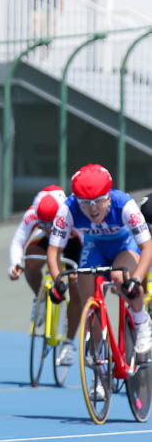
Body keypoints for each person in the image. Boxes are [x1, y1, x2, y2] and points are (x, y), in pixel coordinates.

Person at [47, 164, 152, 400]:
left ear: (109, 197)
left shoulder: (124, 204)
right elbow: (53, 252)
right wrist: (57, 282)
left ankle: (141, 321)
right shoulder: (69, 209)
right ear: (77, 199)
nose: (92, 209)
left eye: (98, 202)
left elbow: (147, 247)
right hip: (95, 247)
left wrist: (135, 280)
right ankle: (100, 372)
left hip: (125, 246)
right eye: (85, 202)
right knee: (87, 301)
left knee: (119, 277)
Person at [8, 185, 83, 365]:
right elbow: (18, 241)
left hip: (73, 243)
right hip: (49, 243)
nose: (48, 228)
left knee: (76, 286)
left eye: (51, 224)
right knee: (31, 262)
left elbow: (87, 244)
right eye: (44, 224)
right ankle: (40, 299)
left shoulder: (73, 214)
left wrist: (80, 271)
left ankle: (69, 343)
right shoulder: (32, 215)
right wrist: (15, 264)